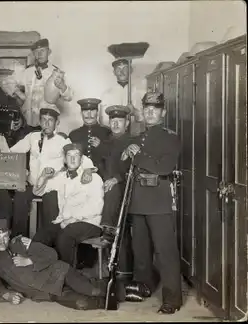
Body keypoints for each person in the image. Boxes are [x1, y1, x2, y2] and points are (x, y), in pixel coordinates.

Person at [122, 91, 182, 314]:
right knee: (141, 250)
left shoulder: (170, 138)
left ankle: (172, 299)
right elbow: (128, 164)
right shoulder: (137, 138)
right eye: (146, 108)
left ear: (163, 112)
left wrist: (138, 156)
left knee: (165, 252)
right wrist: (129, 151)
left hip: (158, 201)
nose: (149, 112)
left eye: (154, 108)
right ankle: (144, 286)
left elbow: (163, 168)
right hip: (138, 200)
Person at [9, 106, 95, 237]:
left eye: (50, 120)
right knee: (20, 200)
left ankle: (49, 246)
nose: (47, 123)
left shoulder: (62, 140)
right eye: (44, 120)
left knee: (51, 209)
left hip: (52, 186)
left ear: (57, 123)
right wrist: (20, 174)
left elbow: (77, 157)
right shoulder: (32, 137)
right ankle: (18, 240)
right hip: (33, 184)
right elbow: (11, 154)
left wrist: (88, 169)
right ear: (39, 122)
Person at [0, 219, 106, 310]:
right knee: (82, 304)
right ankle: (104, 296)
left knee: (94, 291)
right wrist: (7, 295)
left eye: (5, 236)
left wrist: (29, 260)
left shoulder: (20, 243)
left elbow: (52, 254)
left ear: (9, 236)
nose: (2, 241)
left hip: (61, 274)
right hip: (47, 292)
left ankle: (119, 291)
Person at [32, 143, 105, 266]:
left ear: (81, 159)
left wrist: (73, 218)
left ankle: (66, 276)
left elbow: (96, 207)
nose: (72, 159)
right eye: (69, 155)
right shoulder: (61, 177)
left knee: (64, 237)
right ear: (64, 159)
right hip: (65, 222)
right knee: (42, 236)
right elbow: (38, 191)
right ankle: (37, 274)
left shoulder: (93, 177)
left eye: (76, 155)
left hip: (90, 223)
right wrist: (43, 177)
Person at [97, 105, 135, 283]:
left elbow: (130, 168)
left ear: (127, 123)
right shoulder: (105, 142)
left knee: (114, 196)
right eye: (113, 120)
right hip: (107, 186)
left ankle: (108, 230)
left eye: (120, 121)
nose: (116, 124)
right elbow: (102, 166)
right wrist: (104, 179)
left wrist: (116, 179)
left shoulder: (131, 141)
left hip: (125, 189)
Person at [2, 38, 74, 129]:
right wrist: (20, 94)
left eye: (42, 51)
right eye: (36, 52)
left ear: (49, 52)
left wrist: (62, 86)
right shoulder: (28, 72)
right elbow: (6, 82)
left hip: (47, 123)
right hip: (27, 121)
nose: (39, 54)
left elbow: (69, 97)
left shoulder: (56, 72)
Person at [99, 58, 146, 136]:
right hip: (114, 137)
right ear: (114, 72)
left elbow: (145, 120)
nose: (121, 72)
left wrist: (134, 112)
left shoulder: (139, 93)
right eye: (118, 69)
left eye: (125, 68)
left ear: (130, 70)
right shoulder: (106, 94)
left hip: (134, 137)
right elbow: (103, 121)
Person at [68, 98, 111, 168]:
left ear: (97, 112)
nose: (89, 114)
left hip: (102, 176)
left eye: (92, 110)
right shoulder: (73, 135)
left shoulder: (107, 132)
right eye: (85, 111)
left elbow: (114, 158)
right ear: (81, 113)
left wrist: (101, 146)